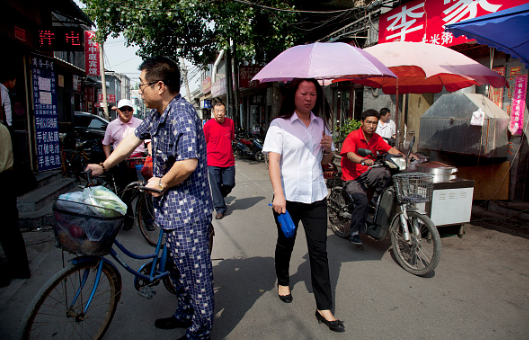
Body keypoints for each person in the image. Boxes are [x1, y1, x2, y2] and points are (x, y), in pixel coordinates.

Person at [86, 56, 214, 340]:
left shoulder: (181, 114)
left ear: (159, 86)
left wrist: (163, 182)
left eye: (142, 84)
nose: (140, 90)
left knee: (197, 275)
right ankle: (184, 313)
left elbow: (188, 163)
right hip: (170, 210)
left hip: (189, 212)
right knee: (178, 270)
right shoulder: (158, 114)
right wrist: (105, 165)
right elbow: (131, 140)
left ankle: (200, 331)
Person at [263, 78, 345, 333]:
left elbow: (325, 160)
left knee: (319, 252)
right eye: (304, 93)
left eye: (313, 94)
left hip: (317, 196)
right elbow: (273, 162)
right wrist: (278, 194)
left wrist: (329, 149)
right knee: (286, 242)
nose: (309, 98)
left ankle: (324, 307)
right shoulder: (280, 125)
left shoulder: (322, 124)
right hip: (288, 197)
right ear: (294, 95)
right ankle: (284, 280)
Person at [340, 109, 405, 246]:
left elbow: (389, 149)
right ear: (362, 122)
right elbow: (350, 154)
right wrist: (362, 160)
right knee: (362, 201)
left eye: (375, 123)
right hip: (352, 176)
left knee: (385, 172)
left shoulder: (376, 138)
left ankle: (374, 202)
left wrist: (405, 156)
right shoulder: (353, 136)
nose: (372, 125)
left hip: (367, 172)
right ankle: (355, 232)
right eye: (369, 122)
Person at [102, 98, 150, 230]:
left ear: (133, 110)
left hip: (139, 161)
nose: (126, 112)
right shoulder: (112, 125)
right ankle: (128, 220)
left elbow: (148, 141)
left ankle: (148, 220)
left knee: (146, 190)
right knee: (125, 192)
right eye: (123, 109)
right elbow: (106, 143)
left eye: (129, 109)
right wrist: (109, 161)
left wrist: (150, 154)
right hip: (121, 163)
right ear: (118, 110)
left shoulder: (140, 123)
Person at [0, 123, 30, 287]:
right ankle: (21, 268)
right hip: (8, 182)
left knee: (8, 230)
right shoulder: (5, 129)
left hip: (3, 181)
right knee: (11, 230)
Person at [203, 101, 235, 220]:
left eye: (222, 110)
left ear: (225, 111)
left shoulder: (230, 123)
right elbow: (204, 141)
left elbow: (231, 137)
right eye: (217, 111)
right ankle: (220, 209)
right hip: (213, 161)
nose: (220, 113)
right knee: (215, 185)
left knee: (229, 183)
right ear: (213, 113)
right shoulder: (208, 125)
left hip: (228, 161)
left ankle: (218, 197)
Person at [0, 69, 16, 133]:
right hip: (4, 124)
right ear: (9, 81)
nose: (14, 84)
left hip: (7, 123)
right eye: (14, 82)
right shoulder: (2, 91)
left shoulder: (5, 91)